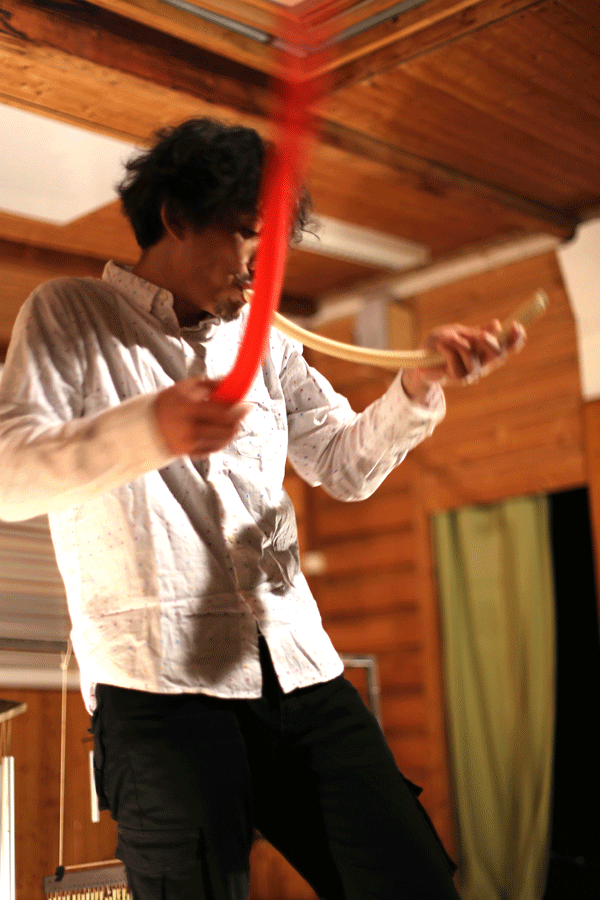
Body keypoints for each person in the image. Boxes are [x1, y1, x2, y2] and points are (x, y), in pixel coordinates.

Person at [0, 118, 524, 900]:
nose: (265, 265)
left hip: (301, 669)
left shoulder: (266, 341)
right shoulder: (71, 314)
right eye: (251, 235)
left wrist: (418, 389)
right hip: (158, 690)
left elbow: (344, 466)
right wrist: (151, 429)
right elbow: (10, 476)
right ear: (177, 216)